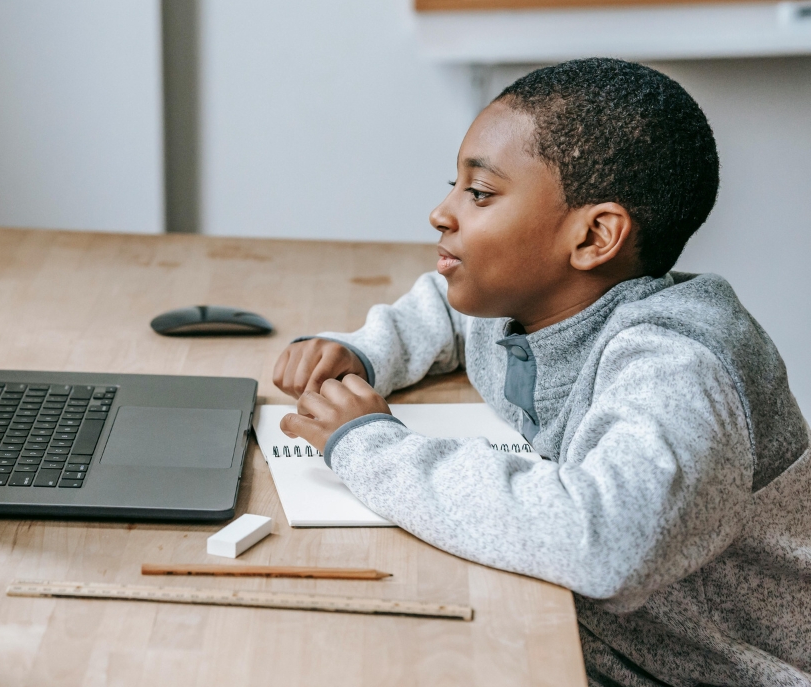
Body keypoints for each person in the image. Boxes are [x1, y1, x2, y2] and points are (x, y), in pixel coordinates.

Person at [273, 58, 810, 687]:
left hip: (720, 670)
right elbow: (446, 311)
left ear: (594, 237)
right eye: (453, 185)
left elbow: (607, 542)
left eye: (479, 193)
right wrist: (367, 351)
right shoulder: (528, 303)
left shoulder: (679, 367)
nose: (440, 213)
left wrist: (370, 446)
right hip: (605, 638)